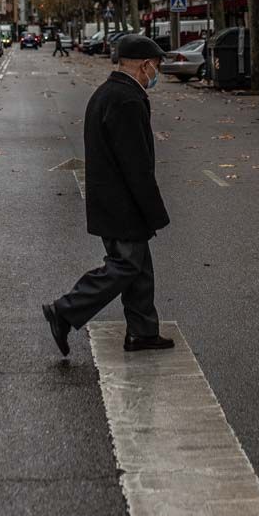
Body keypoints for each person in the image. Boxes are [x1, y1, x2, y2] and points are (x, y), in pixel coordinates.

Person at [42, 34, 173, 356]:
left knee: (139, 267)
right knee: (126, 266)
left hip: (111, 198)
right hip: (121, 202)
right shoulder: (126, 99)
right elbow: (136, 164)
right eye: (155, 67)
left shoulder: (108, 92)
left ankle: (143, 332)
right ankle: (65, 310)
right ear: (144, 65)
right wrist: (154, 210)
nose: (156, 74)